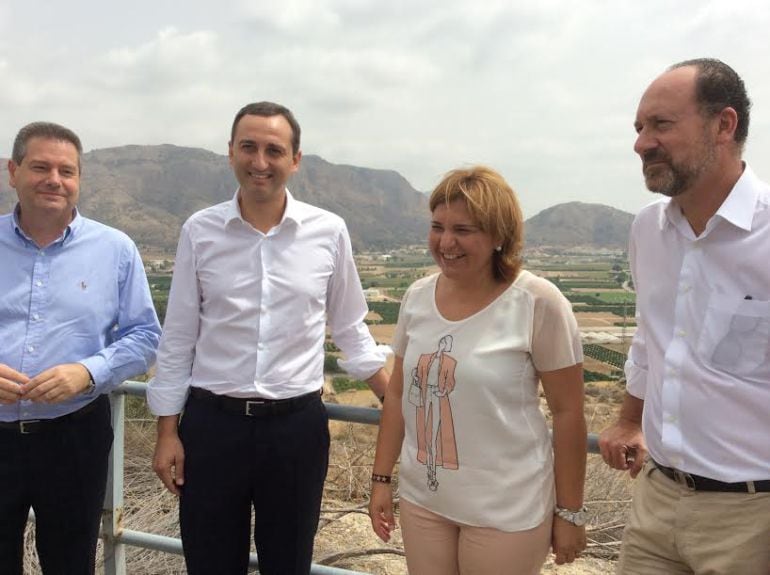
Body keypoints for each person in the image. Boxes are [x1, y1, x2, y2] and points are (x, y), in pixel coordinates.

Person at [148, 101, 390, 575]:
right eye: (249, 148)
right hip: (212, 429)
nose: (260, 162)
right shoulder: (199, 231)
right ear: (230, 153)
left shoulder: (328, 231)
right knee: (211, 564)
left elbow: (350, 330)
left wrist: (397, 400)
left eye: (273, 150)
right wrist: (166, 432)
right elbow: (178, 337)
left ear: (295, 160)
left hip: (295, 431)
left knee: (289, 563)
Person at [369, 166, 587, 574]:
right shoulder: (417, 297)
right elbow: (398, 394)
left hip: (506, 508)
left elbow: (568, 412)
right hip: (425, 500)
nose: (446, 242)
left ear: (499, 236)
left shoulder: (537, 302)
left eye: (464, 230)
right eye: (438, 227)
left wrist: (569, 512)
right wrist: (382, 480)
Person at [599, 58, 770, 574]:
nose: (641, 143)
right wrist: (630, 419)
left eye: (661, 125)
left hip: (751, 517)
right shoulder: (647, 230)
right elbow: (652, 342)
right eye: (639, 128)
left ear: (724, 125)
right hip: (656, 498)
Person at [0, 122, 161, 574]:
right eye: (40, 167)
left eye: (66, 170)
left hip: (73, 437)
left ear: (79, 180)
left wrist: (89, 372)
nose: (54, 179)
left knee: (70, 564)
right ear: (13, 172)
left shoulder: (116, 249)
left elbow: (146, 337)